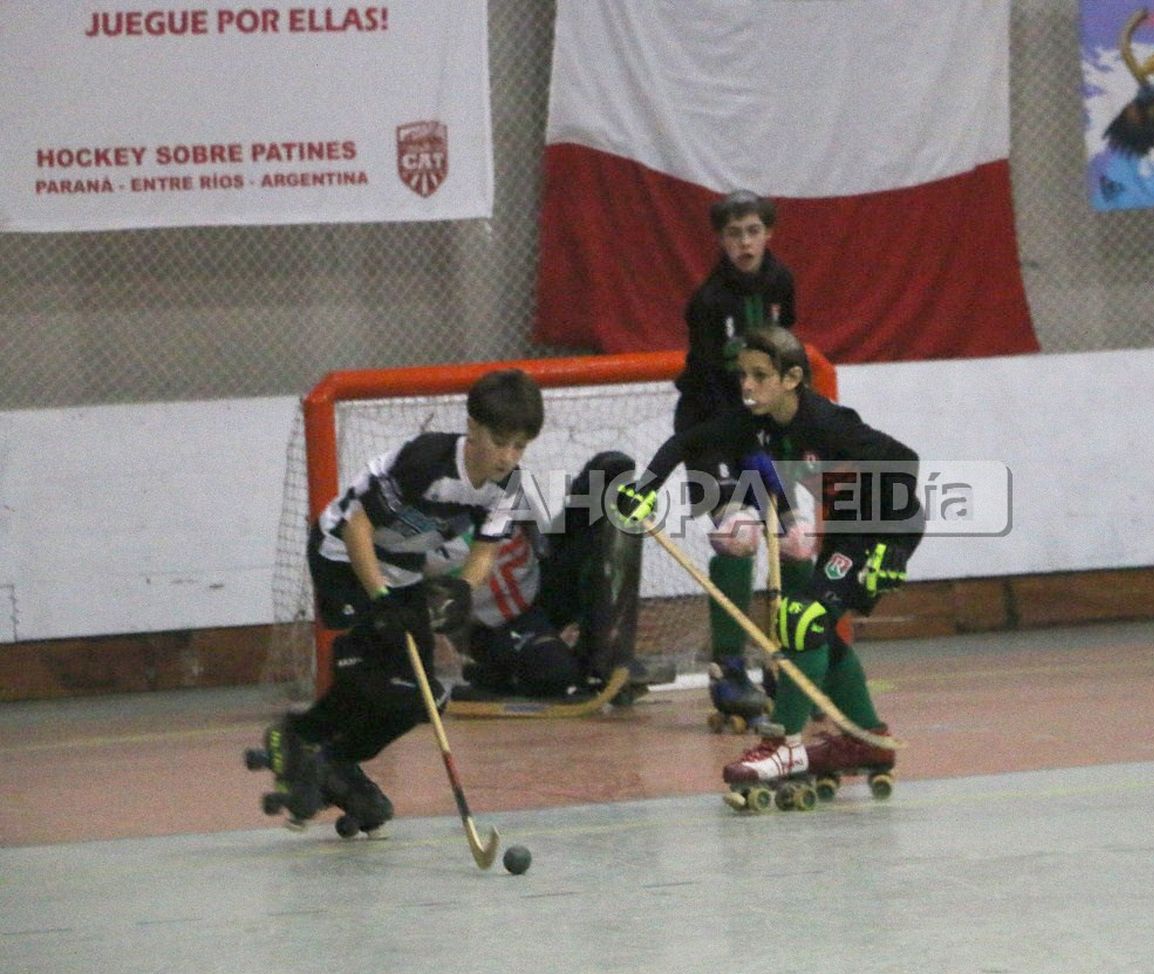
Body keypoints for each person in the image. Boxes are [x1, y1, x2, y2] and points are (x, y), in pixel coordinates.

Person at [620, 325, 923, 792]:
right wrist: (645, 490)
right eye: (743, 375)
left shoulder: (827, 423)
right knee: (806, 624)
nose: (747, 386)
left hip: (885, 527)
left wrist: (893, 552)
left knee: (801, 619)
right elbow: (688, 443)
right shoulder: (757, 421)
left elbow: (904, 461)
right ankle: (867, 739)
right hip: (846, 528)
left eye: (760, 376)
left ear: (792, 378)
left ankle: (784, 744)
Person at [256, 369, 544, 833]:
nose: (508, 457)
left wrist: (462, 590)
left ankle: (335, 761)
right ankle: (296, 736)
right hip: (345, 558)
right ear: (473, 428)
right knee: (375, 675)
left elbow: (484, 550)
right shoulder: (426, 462)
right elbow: (357, 528)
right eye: (501, 441)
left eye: (520, 447)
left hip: (404, 567)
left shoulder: (508, 485)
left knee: (422, 699)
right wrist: (381, 600)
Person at [672, 188, 805, 725]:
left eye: (752, 231)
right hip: (710, 430)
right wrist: (747, 451)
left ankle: (791, 657)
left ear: (767, 233)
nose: (744, 243)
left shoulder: (782, 283)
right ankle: (728, 670)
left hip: (762, 427)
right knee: (738, 536)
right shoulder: (706, 304)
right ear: (720, 240)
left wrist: (786, 435)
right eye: (733, 234)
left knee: (796, 541)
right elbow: (710, 392)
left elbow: (788, 362)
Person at [438, 450, 645, 703]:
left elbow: (547, 544)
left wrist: (604, 504)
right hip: (498, 627)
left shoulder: (509, 492)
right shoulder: (431, 537)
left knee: (603, 494)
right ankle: (491, 675)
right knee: (556, 672)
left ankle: (604, 656)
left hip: (540, 589)